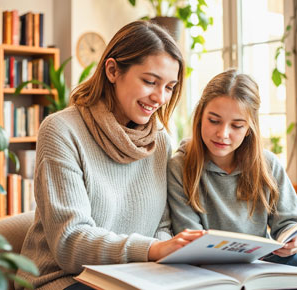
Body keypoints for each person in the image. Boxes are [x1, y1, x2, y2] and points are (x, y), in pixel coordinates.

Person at [16, 21, 204, 290]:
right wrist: (153, 250)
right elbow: (69, 242)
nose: (160, 97)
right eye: (150, 81)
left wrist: (167, 250)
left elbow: (162, 225)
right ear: (113, 70)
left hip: (136, 275)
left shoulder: (160, 141)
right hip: (63, 279)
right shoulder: (62, 131)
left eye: (169, 87)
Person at [167, 69, 297, 290]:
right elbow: (190, 238)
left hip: (258, 266)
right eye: (214, 121)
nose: (223, 133)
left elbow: (290, 224)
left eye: (237, 126)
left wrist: (295, 241)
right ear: (200, 116)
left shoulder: (267, 165)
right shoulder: (180, 167)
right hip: (204, 268)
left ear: (249, 128)